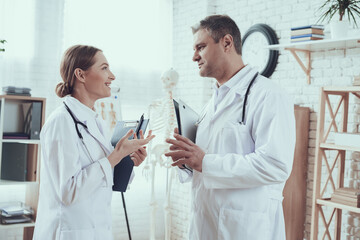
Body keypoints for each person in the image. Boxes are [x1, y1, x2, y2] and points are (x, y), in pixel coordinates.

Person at [165, 15, 295, 240]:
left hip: (245, 228)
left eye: (201, 47)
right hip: (205, 223)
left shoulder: (269, 95)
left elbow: (275, 165)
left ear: (226, 43)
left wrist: (204, 161)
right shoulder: (211, 103)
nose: (194, 56)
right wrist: (187, 157)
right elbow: (204, 161)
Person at [33, 45, 155, 240]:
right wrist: (115, 156)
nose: (112, 76)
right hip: (68, 232)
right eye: (104, 68)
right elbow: (69, 191)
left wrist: (128, 160)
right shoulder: (61, 122)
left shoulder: (96, 121)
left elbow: (106, 178)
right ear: (81, 75)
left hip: (95, 230)